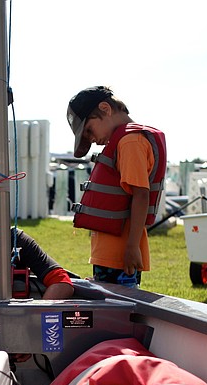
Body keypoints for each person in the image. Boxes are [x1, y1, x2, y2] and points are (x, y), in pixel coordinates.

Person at [66, 85, 167, 288]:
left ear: (105, 108)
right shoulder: (124, 141)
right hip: (110, 256)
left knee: (118, 315)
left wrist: (132, 247)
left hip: (120, 256)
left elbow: (141, 195)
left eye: (89, 130)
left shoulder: (131, 142)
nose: (92, 140)